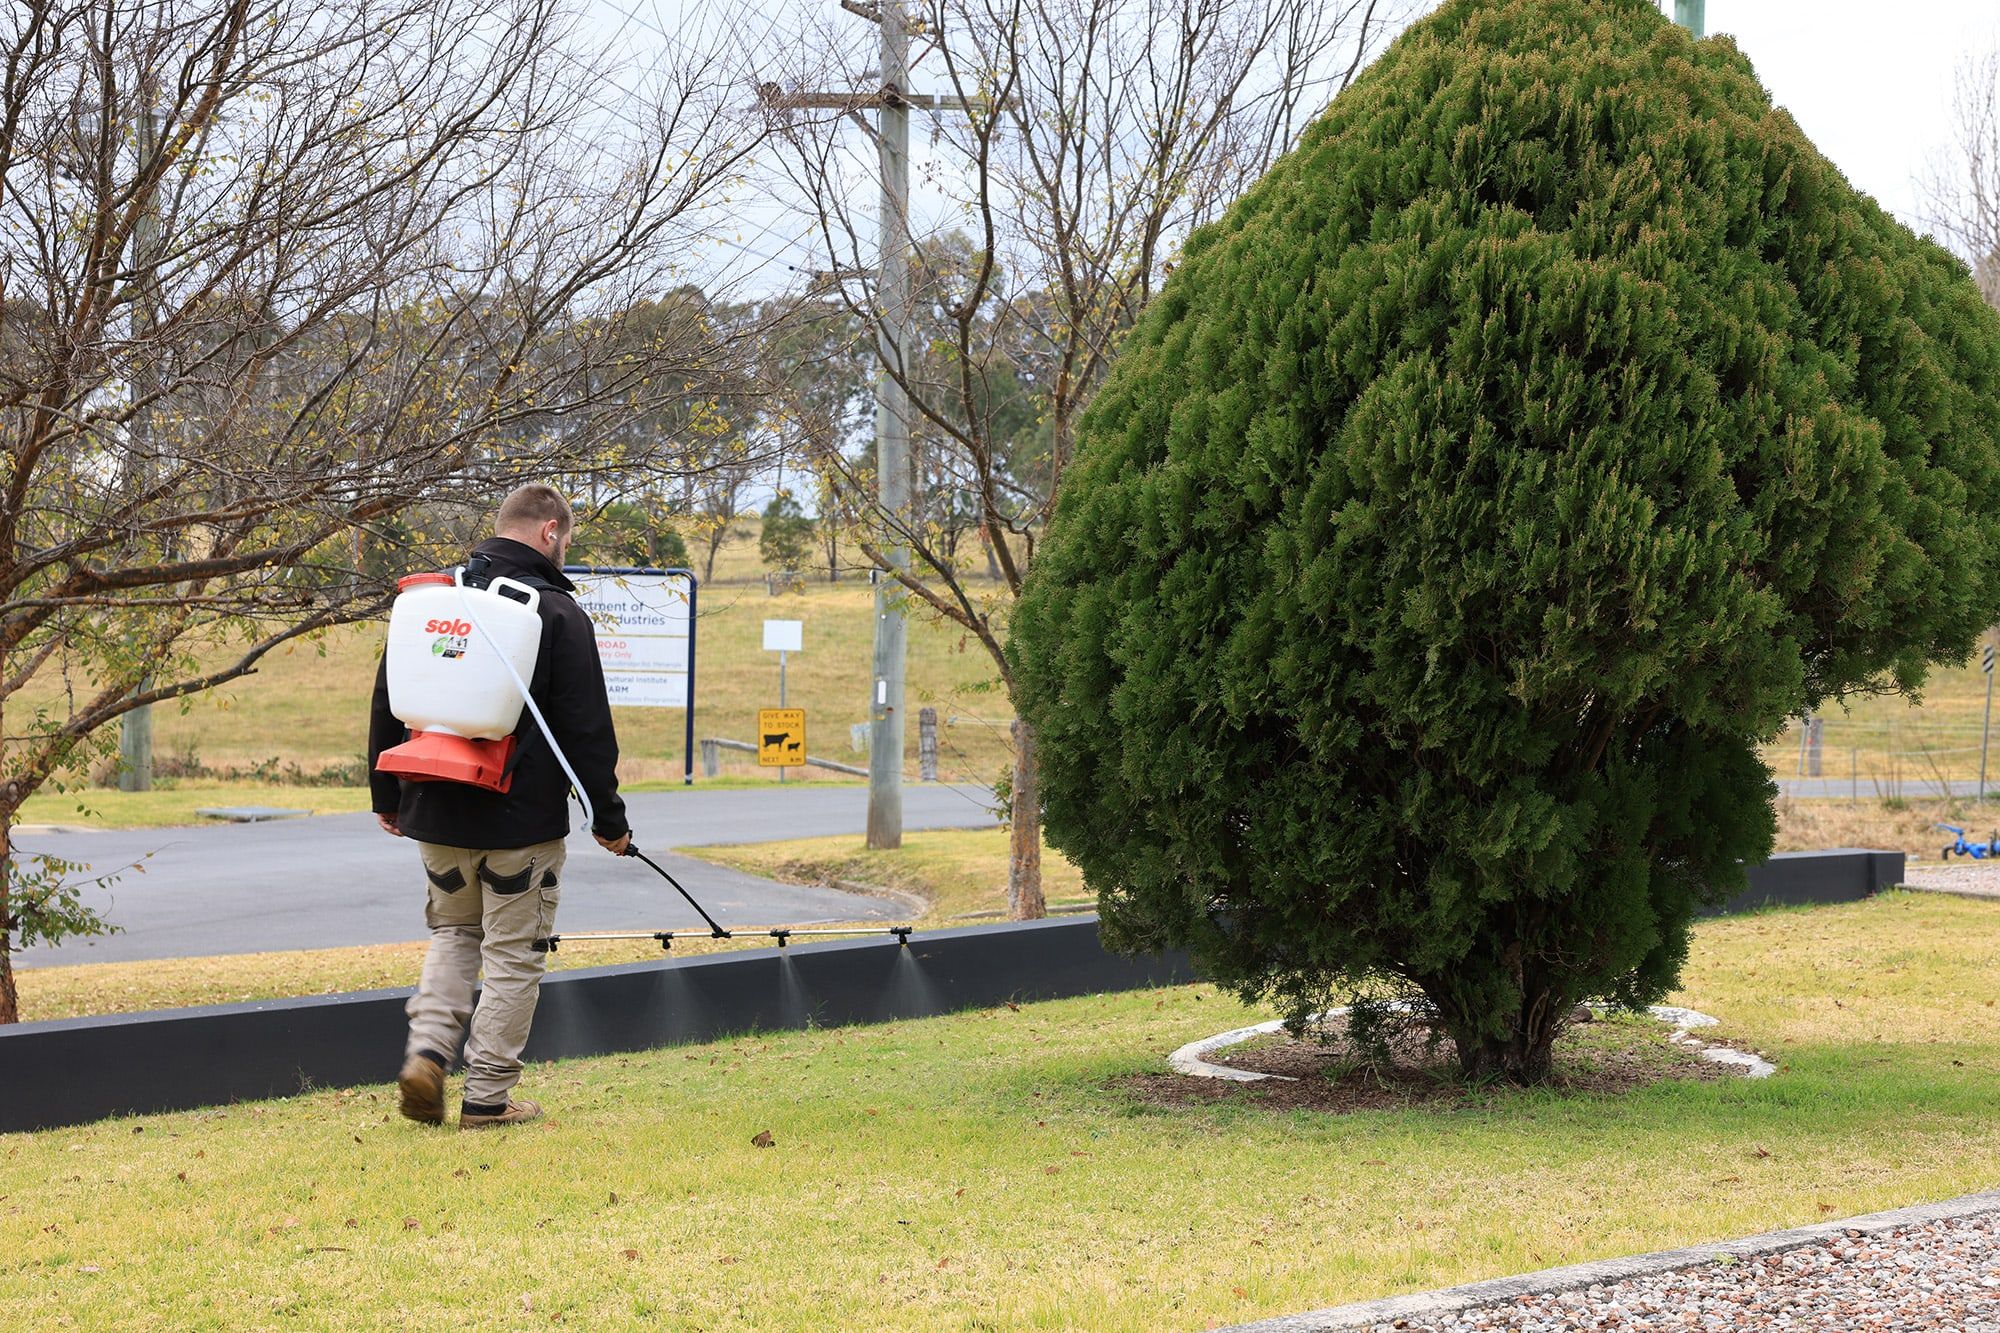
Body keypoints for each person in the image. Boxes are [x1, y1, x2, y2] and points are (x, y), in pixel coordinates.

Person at [368, 483, 630, 1130]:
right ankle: (487, 1097)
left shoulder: (433, 602)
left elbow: (388, 699)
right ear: (549, 532)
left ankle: (427, 1054)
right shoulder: (558, 614)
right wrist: (610, 820)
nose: (565, 552)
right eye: (566, 541)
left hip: (431, 807)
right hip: (521, 823)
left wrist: (387, 798)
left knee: (454, 932)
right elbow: (587, 730)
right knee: (514, 953)